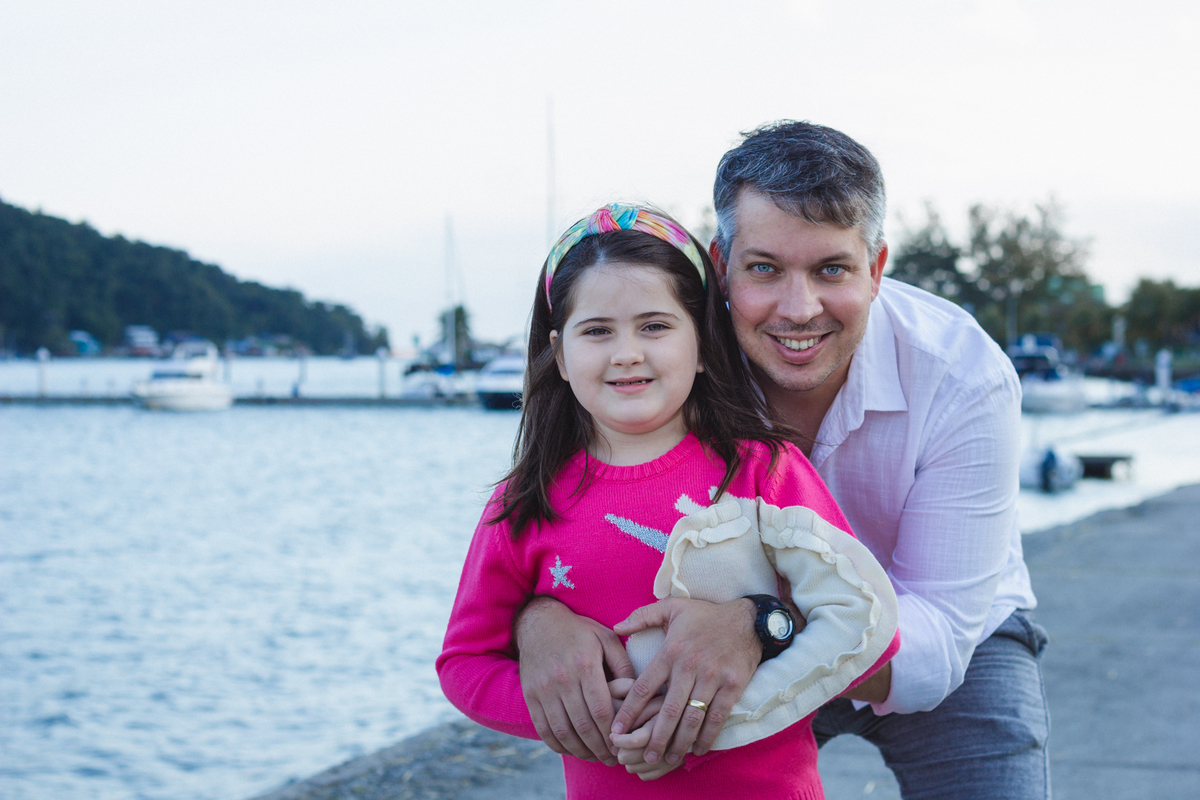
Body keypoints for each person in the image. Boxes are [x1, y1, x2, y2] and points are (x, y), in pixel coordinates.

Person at [514, 123, 1051, 800]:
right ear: (722, 264)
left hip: (925, 638)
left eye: (832, 269)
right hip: (716, 646)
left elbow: (938, 649)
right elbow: (578, 517)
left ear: (877, 268)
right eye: (764, 268)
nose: (798, 311)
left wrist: (764, 626)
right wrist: (537, 619)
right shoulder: (665, 357)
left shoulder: (964, 377)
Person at [436, 203, 899, 798]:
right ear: (560, 355)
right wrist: (586, 716)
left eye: (654, 326)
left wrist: (717, 716)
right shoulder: (523, 503)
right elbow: (465, 662)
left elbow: (864, 624)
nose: (627, 352)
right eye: (597, 331)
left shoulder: (764, 470)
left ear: (703, 344)